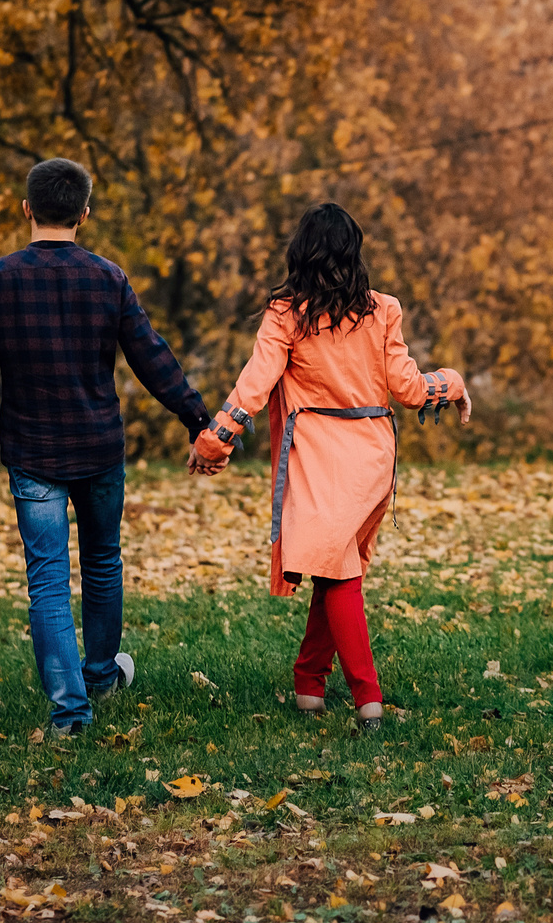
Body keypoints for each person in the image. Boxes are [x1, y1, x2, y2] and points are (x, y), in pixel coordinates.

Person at [0, 158, 215, 735]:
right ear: (84, 215)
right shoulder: (107, 277)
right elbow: (152, 357)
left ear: (27, 209)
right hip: (99, 449)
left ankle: (70, 712)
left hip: (32, 454)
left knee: (46, 577)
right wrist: (198, 419)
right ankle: (99, 673)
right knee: (102, 561)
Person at [188, 203, 470, 736]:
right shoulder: (382, 309)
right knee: (335, 564)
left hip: (319, 456)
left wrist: (214, 440)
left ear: (301, 253)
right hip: (371, 457)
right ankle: (309, 683)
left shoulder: (286, 313)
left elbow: (256, 382)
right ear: (354, 253)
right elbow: (409, 389)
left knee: (339, 573)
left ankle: (368, 701)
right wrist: (450, 382)